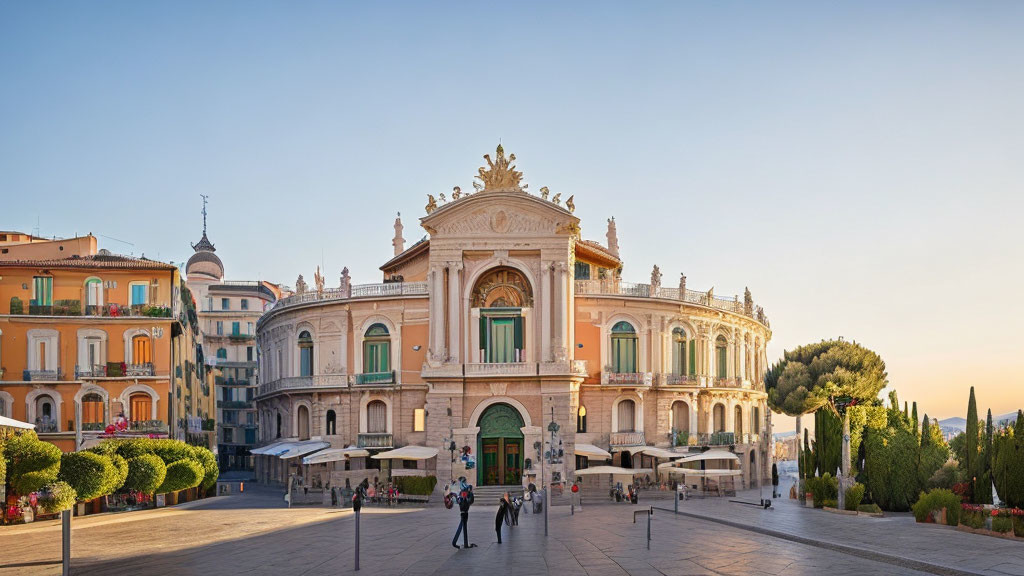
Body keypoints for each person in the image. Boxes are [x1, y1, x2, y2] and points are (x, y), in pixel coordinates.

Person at [452, 482, 476, 549]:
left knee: (463, 527)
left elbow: (469, 502)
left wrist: (464, 497)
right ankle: (459, 543)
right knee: (462, 527)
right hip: (464, 513)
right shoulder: (463, 494)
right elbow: (461, 502)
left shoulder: (467, 494)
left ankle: (465, 543)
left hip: (465, 512)